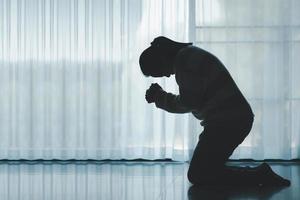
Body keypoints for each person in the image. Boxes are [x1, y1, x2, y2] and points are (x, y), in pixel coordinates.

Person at [139, 36, 290, 186]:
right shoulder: (188, 55)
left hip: (227, 121)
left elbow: (188, 103)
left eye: (158, 71)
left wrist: (160, 97)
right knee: (204, 171)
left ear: (161, 59)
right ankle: (258, 175)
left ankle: (259, 175)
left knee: (198, 174)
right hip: (231, 119)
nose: (166, 75)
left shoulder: (184, 61)